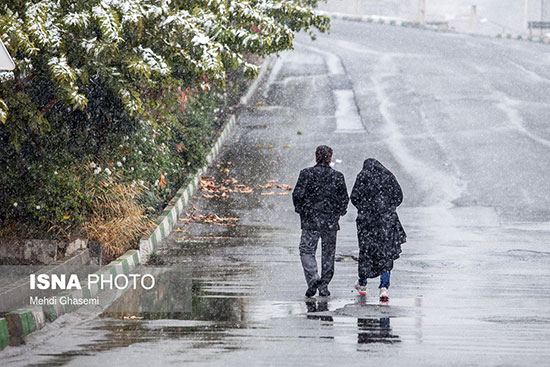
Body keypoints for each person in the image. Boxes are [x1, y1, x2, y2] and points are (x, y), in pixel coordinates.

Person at [292, 145, 349, 297]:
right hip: (330, 222)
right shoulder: (338, 176)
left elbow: (297, 195)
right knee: (328, 254)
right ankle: (324, 284)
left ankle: (313, 279)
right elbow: (344, 199)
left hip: (311, 220)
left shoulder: (306, 174)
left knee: (306, 250)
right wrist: (338, 213)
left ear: (316, 157)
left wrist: (302, 211)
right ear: (330, 159)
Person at [350, 158, 407, 301]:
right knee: (385, 254)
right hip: (386, 222)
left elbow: (354, 197)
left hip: (366, 222)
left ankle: (362, 284)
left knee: (366, 252)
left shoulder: (362, 176)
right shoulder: (388, 176)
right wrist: (387, 208)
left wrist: (365, 209)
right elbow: (398, 197)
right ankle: (384, 288)